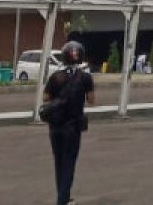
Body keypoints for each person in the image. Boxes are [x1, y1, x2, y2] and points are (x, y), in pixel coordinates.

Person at [43, 40, 95, 205]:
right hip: (73, 128)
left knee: (58, 162)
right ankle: (62, 200)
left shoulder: (55, 77)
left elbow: (46, 98)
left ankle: (63, 196)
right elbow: (92, 100)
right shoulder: (85, 77)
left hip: (55, 127)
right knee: (69, 163)